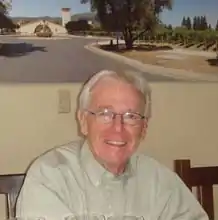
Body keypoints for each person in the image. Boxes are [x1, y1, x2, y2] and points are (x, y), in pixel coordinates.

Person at [15, 70, 209, 220]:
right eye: (105, 114)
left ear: (143, 128)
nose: (118, 128)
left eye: (131, 116)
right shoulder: (49, 176)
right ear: (83, 121)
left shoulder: (161, 182)